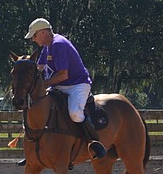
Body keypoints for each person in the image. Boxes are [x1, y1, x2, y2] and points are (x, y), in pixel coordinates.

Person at [24, 17, 106, 159]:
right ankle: (36, 149)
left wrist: (44, 84)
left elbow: (63, 75)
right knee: (38, 106)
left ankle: (94, 142)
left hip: (77, 85)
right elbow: (39, 68)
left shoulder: (59, 44)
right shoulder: (47, 47)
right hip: (59, 86)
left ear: (43, 32)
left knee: (75, 113)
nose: (33, 39)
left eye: (34, 36)